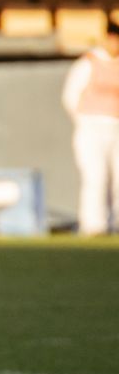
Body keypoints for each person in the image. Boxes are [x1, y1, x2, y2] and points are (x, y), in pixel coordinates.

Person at [61, 18, 119, 236]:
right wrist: (84, 120)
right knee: (95, 177)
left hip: (117, 128)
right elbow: (70, 96)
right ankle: (94, 225)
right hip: (91, 128)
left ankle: (115, 223)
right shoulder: (89, 62)